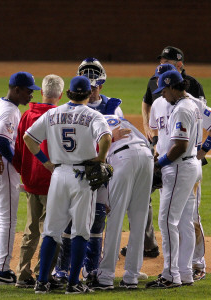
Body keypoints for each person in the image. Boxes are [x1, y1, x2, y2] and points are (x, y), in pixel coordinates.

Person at [24, 76, 112, 294]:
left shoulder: (53, 113)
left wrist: (46, 162)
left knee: (51, 231)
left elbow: (29, 138)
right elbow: (106, 138)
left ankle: (41, 282)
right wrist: (100, 159)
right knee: (81, 231)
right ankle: (73, 284)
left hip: (58, 175)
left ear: (70, 93)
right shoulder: (93, 115)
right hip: (82, 177)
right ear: (88, 93)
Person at [52, 58, 125, 283]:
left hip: (100, 173)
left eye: (95, 87)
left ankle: (91, 268)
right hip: (75, 173)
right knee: (68, 220)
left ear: (101, 85)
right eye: (88, 86)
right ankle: (62, 269)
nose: (92, 91)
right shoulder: (73, 107)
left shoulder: (113, 107)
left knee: (97, 220)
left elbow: (117, 145)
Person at [135, 46, 207, 260]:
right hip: (167, 163)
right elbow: (148, 105)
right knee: (169, 213)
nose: (160, 94)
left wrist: (201, 151)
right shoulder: (161, 98)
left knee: (184, 217)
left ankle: (195, 263)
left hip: (182, 163)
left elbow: (193, 134)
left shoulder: (189, 100)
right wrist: (153, 138)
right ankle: (174, 263)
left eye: (163, 89)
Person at [0, 72, 41, 285]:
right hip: (4, 169)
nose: (31, 94)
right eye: (29, 90)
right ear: (16, 90)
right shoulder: (12, 111)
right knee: (8, 220)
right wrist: (18, 165)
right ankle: (3, 271)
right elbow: (3, 141)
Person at [149, 64, 211, 283]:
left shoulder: (182, 109)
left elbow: (179, 146)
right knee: (184, 220)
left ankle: (170, 274)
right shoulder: (191, 105)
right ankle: (184, 273)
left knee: (167, 221)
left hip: (179, 167)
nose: (163, 96)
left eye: (164, 91)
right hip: (189, 166)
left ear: (172, 87)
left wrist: (160, 164)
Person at [88, 115, 153, 290]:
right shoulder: (120, 119)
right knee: (139, 220)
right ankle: (131, 277)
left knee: (115, 219)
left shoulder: (92, 122)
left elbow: (91, 155)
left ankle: (106, 277)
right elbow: (148, 144)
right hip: (146, 159)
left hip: (122, 159)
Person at [12, 74, 64, 288]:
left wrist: (24, 172)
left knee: (31, 229)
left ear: (42, 92)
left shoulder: (26, 115)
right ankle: (44, 274)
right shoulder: (59, 116)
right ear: (60, 95)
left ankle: (22, 275)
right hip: (53, 182)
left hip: (31, 181)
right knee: (52, 231)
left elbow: (18, 148)